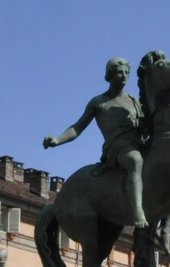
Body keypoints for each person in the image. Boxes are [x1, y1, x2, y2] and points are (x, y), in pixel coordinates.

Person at [43, 57, 147, 227]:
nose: (124, 76)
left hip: (139, 142)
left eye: (126, 73)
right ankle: (137, 210)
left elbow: (144, 125)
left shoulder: (134, 101)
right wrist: (56, 140)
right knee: (135, 160)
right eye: (119, 72)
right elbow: (77, 128)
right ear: (110, 75)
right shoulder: (98, 102)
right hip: (118, 146)